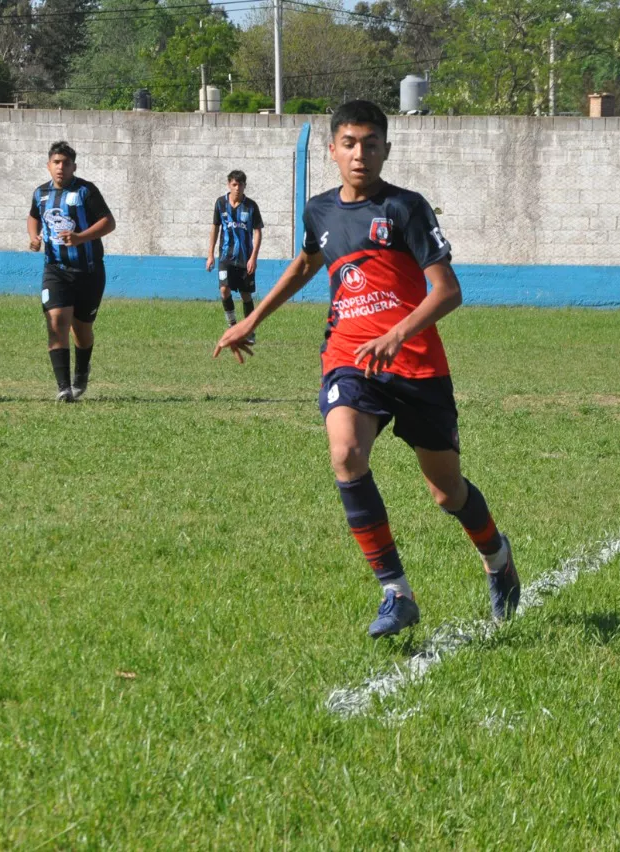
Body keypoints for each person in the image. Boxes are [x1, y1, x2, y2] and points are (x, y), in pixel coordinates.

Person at [214, 100, 519, 639]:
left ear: (386, 150)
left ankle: (497, 558)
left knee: (446, 493)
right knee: (346, 452)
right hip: (350, 358)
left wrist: (398, 332)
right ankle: (396, 592)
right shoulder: (319, 211)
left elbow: (448, 291)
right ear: (332, 149)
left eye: (371, 144)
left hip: (417, 365)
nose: (360, 154)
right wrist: (253, 318)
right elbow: (308, 262)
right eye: (350, 144)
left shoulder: (407, 208)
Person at [27, 141, 115, 402]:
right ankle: (64, 388)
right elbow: (33, 216)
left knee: (82, 331)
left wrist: (80, 238)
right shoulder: (40, 194)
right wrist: (34, 238)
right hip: (55, 270)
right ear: (48, 165)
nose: (61, 167)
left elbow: (108, 222)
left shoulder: (86, 191)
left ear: (74, 166)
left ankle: (81, 374)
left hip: (88, 272)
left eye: (66, 163)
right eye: (56, 162)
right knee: (56, 323)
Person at [206, 170, 263, 343]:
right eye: (234, 184)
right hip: (226, 257)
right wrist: (210, 254)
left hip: (245, 259)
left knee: (246, 295)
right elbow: (215, 228)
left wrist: (254, 257)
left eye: (241, 184)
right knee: (224, 289)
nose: (237, 188)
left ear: (245, 186)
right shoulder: (220, 204)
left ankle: (249, 331)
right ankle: (232, 326)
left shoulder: (251, 206)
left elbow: (257, 231)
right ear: (229, 184)